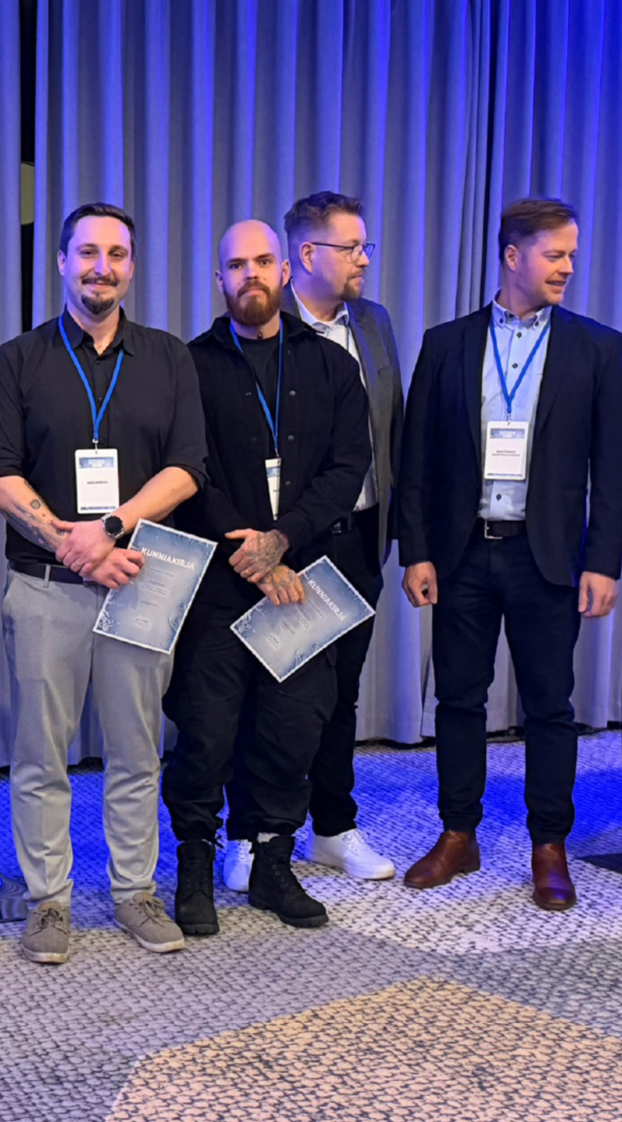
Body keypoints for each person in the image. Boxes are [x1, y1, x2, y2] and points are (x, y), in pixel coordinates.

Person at [0, 201, 208, 963]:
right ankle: (49, 902)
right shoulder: (18, 359)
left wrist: (108, 529)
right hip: (45, 585)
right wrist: (71, 544)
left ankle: (135, 892)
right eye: (86, 252)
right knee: (41, 756)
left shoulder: (168, 358)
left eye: (116, 254)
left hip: (139, 582)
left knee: (137, 752)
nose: (100, 267)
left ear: (131, 267)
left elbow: (187, 468)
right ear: (61, 262)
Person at [396, 197, 622, 910]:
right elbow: (416, 459)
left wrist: (604, 561)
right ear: (512, 256)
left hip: (546, 556)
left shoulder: (597, 347)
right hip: (463, 551)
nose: (568, 267)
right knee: (458, 699)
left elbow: (612, 468)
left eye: (571, 255)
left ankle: (549, 846)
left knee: (550, 707)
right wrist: (416, 551)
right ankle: (457, 835)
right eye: (555, 255)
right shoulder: (446, 343)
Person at [164, 220, 371, 936]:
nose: (249, 274)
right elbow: (188, 470)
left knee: (292, 731)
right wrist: (250, 548)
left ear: (284, 270)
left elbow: (348, 469)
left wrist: (282, 542)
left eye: (261, 261)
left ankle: (272, 862)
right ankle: (195, 863)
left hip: (302, 579)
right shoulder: (189, 366)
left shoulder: (332, 366)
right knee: (206, 732)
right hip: (219, 585)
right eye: (234, 265)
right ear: (218, 279)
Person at [220, 191, 405, 893]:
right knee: (263, 693)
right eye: (351, 247)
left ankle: (332, 826)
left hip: (357, 537)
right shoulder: (265, 325)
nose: (364, 259)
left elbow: (391, 433)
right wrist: (270, 543)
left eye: (364, 246)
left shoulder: (373, 323)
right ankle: (250, 833)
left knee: (340, 695)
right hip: (281, 545)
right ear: (305, 255)